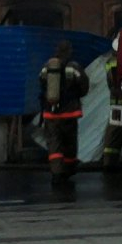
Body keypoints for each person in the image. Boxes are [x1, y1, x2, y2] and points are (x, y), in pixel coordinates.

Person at [38, 40, 90, 183]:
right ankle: (68, 170)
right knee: (69, 142)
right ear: (69, 51)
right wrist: (75, 96)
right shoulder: (74, 68)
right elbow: (84, 86)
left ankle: (56, 172)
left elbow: (41, 83)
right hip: (69, 113)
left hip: (51, 113)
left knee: (54, 143)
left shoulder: (46, 67)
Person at [101, 35, 122, 174]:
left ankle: (110, 160)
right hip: (121, 102)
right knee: (114, 131)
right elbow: (117, 84)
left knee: (116, 132)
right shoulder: (116, 63)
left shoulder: (111, 61)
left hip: (118, 101)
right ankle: (109, 162)